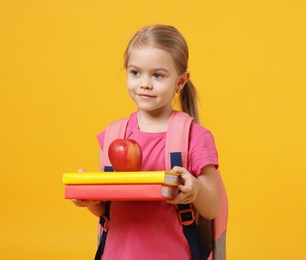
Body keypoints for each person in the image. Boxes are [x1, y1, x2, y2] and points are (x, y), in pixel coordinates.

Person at [72, 24, 221, 259]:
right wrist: (88, 199)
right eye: (135, 72)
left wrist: (195, 190)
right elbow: (107, 209)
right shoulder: (113, 136)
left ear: (180, 82)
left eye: (157, 75)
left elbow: (214, 208)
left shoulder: (194, 137)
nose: (145, 83)